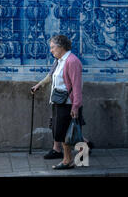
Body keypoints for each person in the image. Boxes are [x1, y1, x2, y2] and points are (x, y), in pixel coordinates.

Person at [31, 35, 93, 169]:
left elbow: (77, 86)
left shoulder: (72, 61)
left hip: (68, 103)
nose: (51, 50)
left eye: (53, 47)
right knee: (70, 131)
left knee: (67, 132)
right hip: (59, 102)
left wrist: (76, 106)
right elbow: (51, 77)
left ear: (61, 46)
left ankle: (67, 161)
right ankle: (80, 159)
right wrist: (39, 85)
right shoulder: (59, 61)